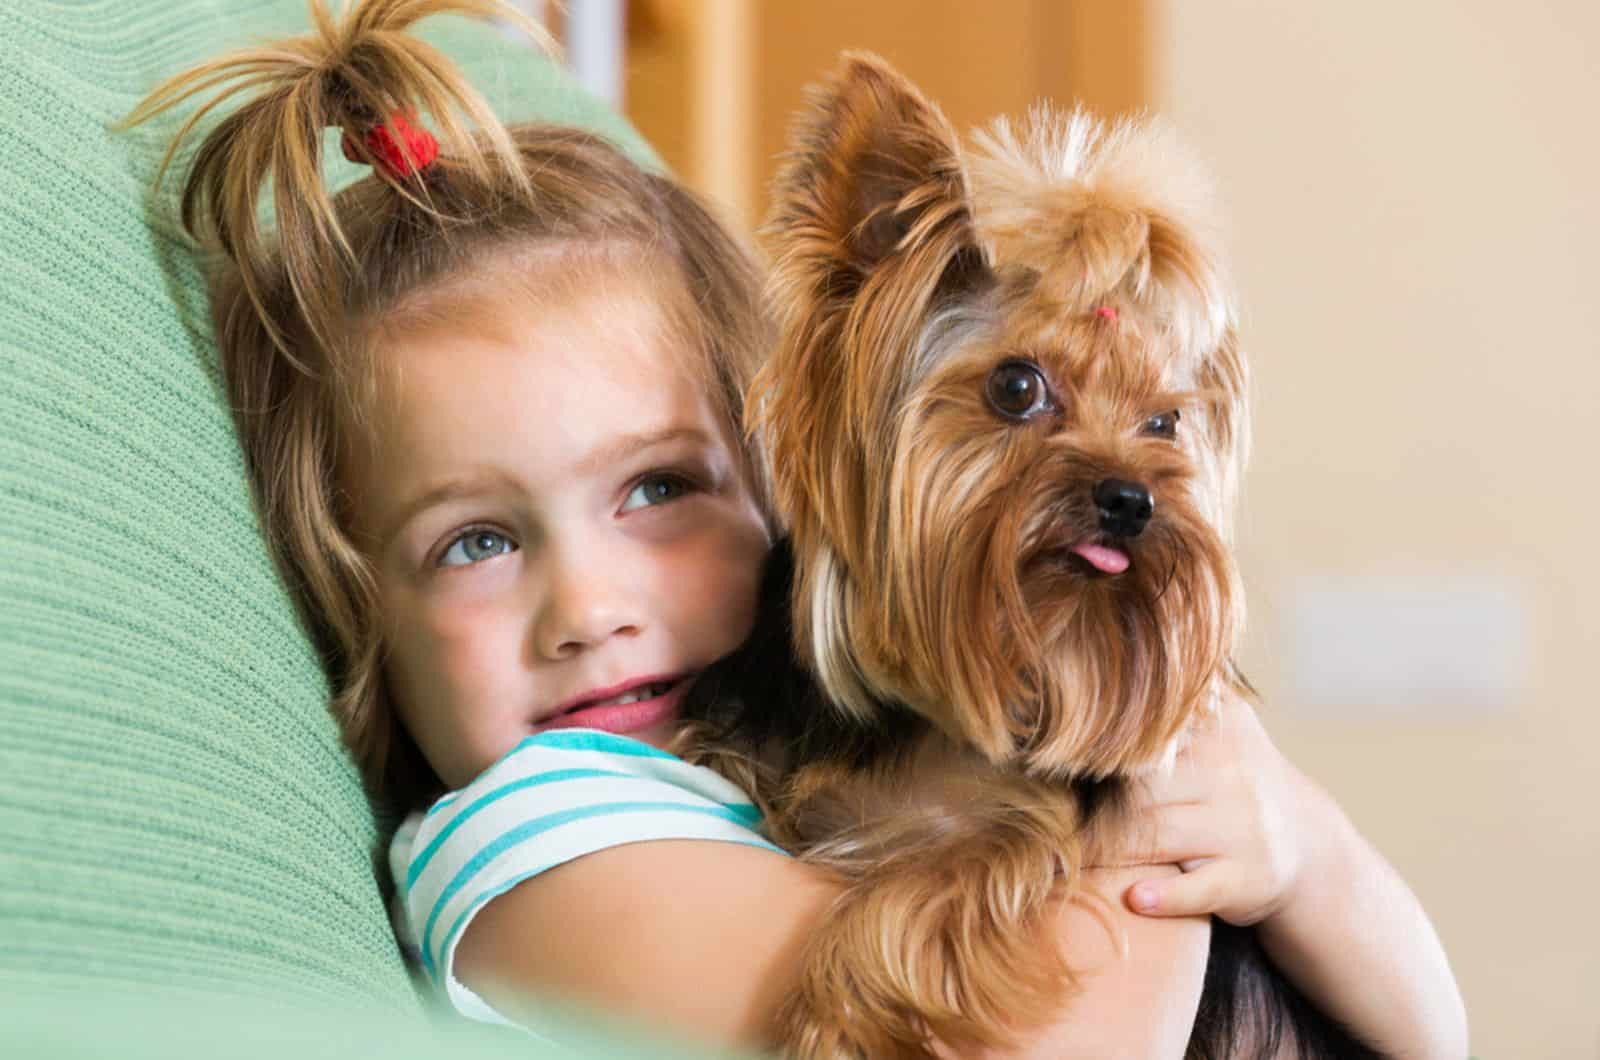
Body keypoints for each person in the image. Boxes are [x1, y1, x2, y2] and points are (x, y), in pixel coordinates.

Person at [124, 1, 1467, 1056]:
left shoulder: (821, 753)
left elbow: (1434, 1030)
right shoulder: (532, 837)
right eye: (476, 541)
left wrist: (1298, 843)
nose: (588, 606)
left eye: (655, 491)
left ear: (777, 468)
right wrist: (1134, 788)